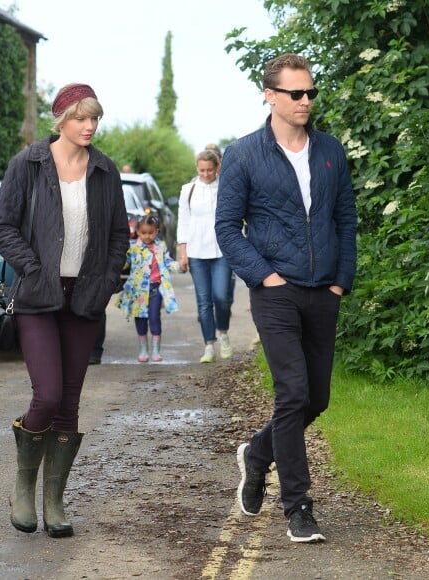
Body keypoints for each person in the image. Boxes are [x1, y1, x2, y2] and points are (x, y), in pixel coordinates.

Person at [215, 54, 357, 543]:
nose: (306, 101)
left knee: (316, 398)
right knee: (292, 394)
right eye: (296, 93)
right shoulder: (244, 154)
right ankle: (298, 506)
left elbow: (345, 221)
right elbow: (226, 229)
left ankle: (257, 454)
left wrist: (341, 279)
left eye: (311, 92)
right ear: (270, 95)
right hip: (276, 291)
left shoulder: (331, 151)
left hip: (324, 290)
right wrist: (264, 277)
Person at [0, 83, 129, 538]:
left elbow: (117, 237)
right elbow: (2, 225)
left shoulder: (105, 170)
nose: (89, 127)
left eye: (95, 119)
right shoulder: (27, 164)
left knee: (69, 403)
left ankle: (55, 500)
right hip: (37, 296)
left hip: (84, 297)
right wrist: (30, 267)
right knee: (46, 395)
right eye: (81, 119)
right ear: (61, 120)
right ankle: (24, 485)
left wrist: (107, 282)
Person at [177, 149, 234, 363]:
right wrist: (183, 252)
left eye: (210, 170)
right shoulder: (188, 190)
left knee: (221, 297)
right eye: (202, 170)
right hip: (196, 251)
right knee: (203, 301)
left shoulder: (226, 188)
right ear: (196, 168)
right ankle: (209, 345)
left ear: (217, 167)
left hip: (222, 251)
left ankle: (224, 333)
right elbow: (183, 221)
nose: (206, 174)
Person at [115, 214, 179, 362]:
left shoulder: (160, 247)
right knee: (140, 319)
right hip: (138, 292)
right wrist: (115, 264)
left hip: (156, 289)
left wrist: (179, 266)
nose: (147, 236)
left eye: (151, 232)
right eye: (144, 233)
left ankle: (156, 350)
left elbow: (168, 262)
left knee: (155, 317)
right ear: (137, 231)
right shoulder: (133, 248)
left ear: (157, 231)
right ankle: (143, 349)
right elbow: (125, 263)